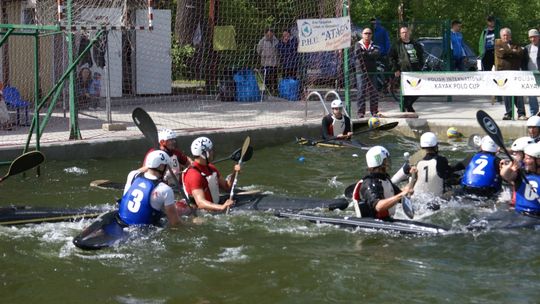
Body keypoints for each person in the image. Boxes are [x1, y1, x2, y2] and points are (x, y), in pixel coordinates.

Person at [118, 150, 181, 226]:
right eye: (166, 167)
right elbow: (175, 223)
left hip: (120, 220)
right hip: (142, 231)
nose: (167, 170)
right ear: (161, 167)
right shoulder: (165, 189)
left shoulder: (133, 175)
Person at [353, 145, 415, 219]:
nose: (388, 163)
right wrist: (402, 194)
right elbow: (379, 206)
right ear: (379, 162)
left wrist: (414, 177)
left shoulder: (385, 178)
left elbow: (402, 194)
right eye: (386, 160)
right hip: (375, 224)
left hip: (388, 219)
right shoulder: (369, 183)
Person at [182, 137, 240, 212]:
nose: (213, 152)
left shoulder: (210, 167)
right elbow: (200, 203)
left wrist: (234, 172)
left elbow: (227, 187)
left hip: (215, 207)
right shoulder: (193, 175)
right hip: (202, 213)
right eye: (210, 150)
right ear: (204, 154)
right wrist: (221, 207)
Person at [413, 132, 464, 197]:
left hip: (416, 198)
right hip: (437, 201)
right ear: (436, 146)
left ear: (421, 146)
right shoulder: (441, 160)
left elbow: (396, 178)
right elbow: (450, 172)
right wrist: (465, 164)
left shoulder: (414, 160)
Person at [389, 26, 424, 113]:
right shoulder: (396, 45)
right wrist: (396, 69)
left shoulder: (416, 44)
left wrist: (420, 66)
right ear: (400, 34)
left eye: (406, 32)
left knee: (419, 89)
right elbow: (391, 58)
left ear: (409, 33)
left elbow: (421, 56)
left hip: (416, 70)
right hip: (404, 71)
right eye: (402, 33)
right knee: (406, 90)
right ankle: (407, 106)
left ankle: (407, 105)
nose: (404, 34)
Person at [495, 27, 526, 120]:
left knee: (518, 93)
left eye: (507, 35)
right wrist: (513, 52)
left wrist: (509, 53)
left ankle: (521, 114)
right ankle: (509, 113)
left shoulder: (516, 44)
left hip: (515, 73)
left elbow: (520, 54)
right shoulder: (497, 44)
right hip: (503, 73)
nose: (505, 37)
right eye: (504, 35)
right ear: (501, 36)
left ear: (510, 36)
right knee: (507, 94)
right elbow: (501, 54)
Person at [500, 142, 540, 215]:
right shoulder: (521, 174)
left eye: (527, 158)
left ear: (538, 161)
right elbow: (505, 175)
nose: (524, 161)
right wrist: (510, 165)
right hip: (519, 214)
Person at [354, 27, 381, 118]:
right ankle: (360, 112)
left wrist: (365, 54)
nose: (367, 35)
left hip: (372, 72)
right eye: (365, 33)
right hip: (361, 72)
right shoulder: (357, 44)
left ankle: (374, 111)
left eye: (369, 33)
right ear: (362, 34)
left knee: (373, 92)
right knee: (361, 92)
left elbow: (376, 54)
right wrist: (369, 54)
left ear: (371, 35)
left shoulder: (374, 45)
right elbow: (358, 55)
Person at [508, 136, 534, 206]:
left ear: (525, 153)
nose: (514, 154)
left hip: (518, 205)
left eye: (516, 152)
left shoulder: (521, 169)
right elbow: (508, 177)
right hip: (519, 204)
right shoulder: (517, 167)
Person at [521, 29, 540, 116]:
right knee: (532, 95)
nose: (533, 39)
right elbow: (523, 62)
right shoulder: (526, 48)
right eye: (531, 37)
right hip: (530, 75)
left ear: (538, 37)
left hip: (539, 74)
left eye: (534, 37)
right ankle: (534, 114)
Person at [256, 28, 279, 95]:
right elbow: (258, 51)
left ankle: (275, 91)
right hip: (265, 63)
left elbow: (278, 51)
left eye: (271, 34)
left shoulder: (276, 41)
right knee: (266, 78)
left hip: (274, 63)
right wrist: (264, 54)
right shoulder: (262, 41)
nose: (269, 35)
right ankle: (267, 91)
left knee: (274, 78)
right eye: (268, 34)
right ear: (265, 34)